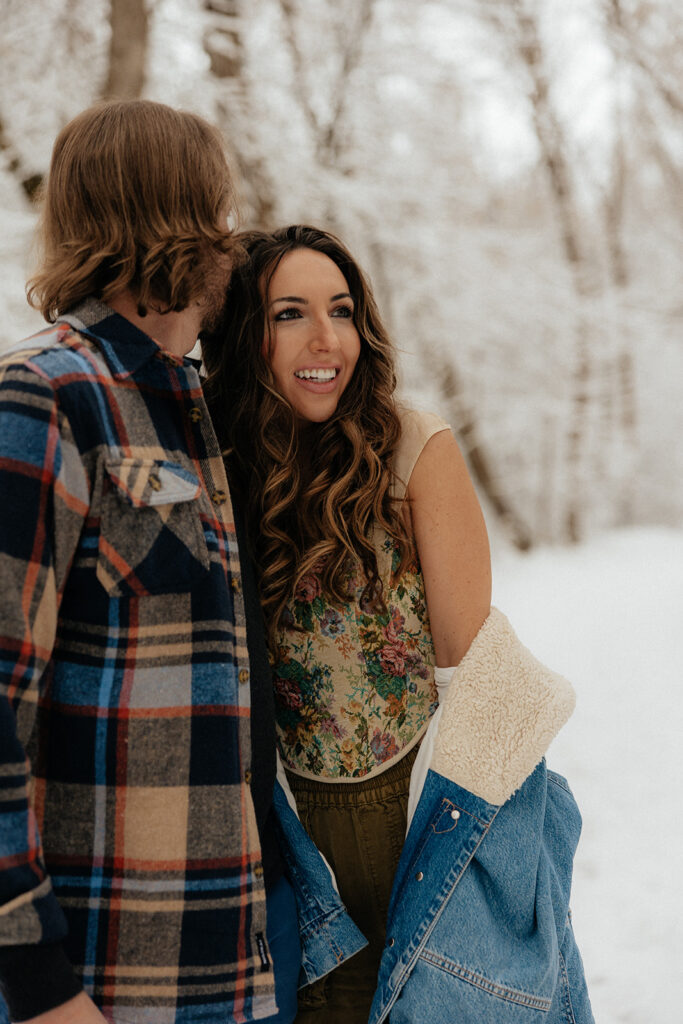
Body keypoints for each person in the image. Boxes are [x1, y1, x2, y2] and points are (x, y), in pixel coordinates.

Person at [202, 224, 596, 1023]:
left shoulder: (416, 448)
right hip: (289, 838)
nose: (325, 338)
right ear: (247, 333)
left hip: (421, 822)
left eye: (341, 310)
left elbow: (471, 674)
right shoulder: (218, 463)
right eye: (289, 314)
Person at [0, 101, 325, 1024]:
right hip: (104, 985)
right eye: (217, 207)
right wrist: (38, 984)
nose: (232, 232)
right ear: (176, 216)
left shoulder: (196, 405)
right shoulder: (45, 397)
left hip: (233, 967)